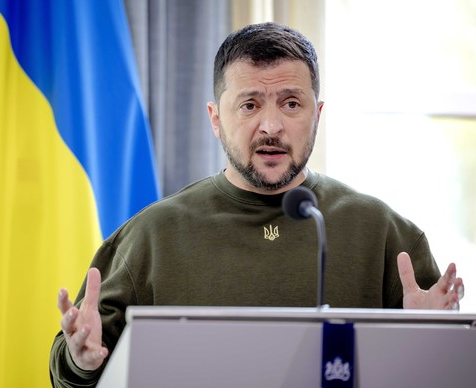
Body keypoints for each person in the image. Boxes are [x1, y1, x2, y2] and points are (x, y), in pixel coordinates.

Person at [49, 22, 464, 387]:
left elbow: (447, 371)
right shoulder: (151, 235)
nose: (271, 126)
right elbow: (72, 372)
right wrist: (81, 361)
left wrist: (436, 342)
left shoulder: (387, 234)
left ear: (317, 114)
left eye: (291, 104)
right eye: (249, 105)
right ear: (215, 118)